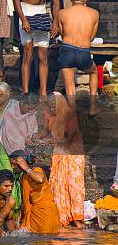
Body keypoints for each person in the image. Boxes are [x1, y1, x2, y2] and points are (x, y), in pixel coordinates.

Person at [13, 0, 63, 96]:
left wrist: (55, 23)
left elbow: (56, 3)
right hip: (26, 10)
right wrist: (23, 19)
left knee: (43, 54)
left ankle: (42, 92)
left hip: (41, 11)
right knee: (28, 53)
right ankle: (26, 91)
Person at [43, 93, 85, 228]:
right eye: (50, 106)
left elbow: (71, 135)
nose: (52, 109)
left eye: (54, 106)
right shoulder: (48, 114)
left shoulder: (69, 114)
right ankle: (62, 216)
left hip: (73, 153)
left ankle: (77, 218)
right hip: (59, 153)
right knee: (58, 184)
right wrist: (34, 137)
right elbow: (44, 131)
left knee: (74, 185)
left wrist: (53, 140)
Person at [57, 0, 99, 105]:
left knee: (70, 86)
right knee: (94, 72)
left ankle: (72, 111)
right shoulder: (94, 13)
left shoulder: (62, 13)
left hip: (67, 50)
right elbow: (91, 37)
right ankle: (93, 106)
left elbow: (62, 33)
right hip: (83, 51)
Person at [10, 151, 60, 234]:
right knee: (34, 243)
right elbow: (25, 201)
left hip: (46, 212)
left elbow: (40, 179)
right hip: (33, 213)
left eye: (13, 164)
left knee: (45, 242)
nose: (12, 167)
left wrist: (26, 168)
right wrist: (18, 221)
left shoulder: (37, 170)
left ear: (21, 162)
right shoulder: (23, 177)